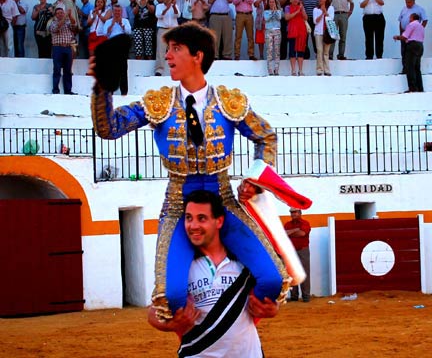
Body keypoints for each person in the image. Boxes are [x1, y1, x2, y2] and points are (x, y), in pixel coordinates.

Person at [90, 22, 302, 321]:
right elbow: (108, 128)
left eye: (175, 49)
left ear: (197, 56)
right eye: (168, 50)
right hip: (179, 204)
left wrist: (256, 181)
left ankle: (233, 325)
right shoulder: (159, 102)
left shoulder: (230, 102)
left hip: (223, 199)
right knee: (171, 296)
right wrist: (102, 88)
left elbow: (265, 136)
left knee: (272, 280)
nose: (168, 56)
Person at [148, 189, 280, 357]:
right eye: (189, 218)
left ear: (219, 221)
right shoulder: (182, 266)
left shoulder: (244, 261)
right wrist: (171, 324)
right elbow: (152, 313)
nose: (193, 226)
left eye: (201, 218)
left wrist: (272, 309)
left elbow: (266, 302)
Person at [103, 4, 131, 96]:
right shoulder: (108, 21)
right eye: (115, 11)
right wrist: (112, 24)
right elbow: (105, 34)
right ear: (113, 12)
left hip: (122, 47)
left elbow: (128, 32)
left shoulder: (126, 21)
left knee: (123, 70)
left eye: (119, 11)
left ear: (121, 12)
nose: (117, 13)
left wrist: (121, 25)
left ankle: (124, 92)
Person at [284, 207, 311, 302]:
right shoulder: (287, 224)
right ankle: (294, 296)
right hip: (291, 251)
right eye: (292, 213)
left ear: (300, 213)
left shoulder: (305, 223)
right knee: (292, 273)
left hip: (303, 250)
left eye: (295, 212)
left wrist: (290, 232)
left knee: (304, 272)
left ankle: (306, 296)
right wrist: (295, 230)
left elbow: (302, 234)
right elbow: (284, 234)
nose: (293, 214)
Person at [393, 13, 424, 94]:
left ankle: (412, 88)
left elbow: (405, 36)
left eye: (410, 17)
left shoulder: (411, 25)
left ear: (412, 18)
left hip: (412, 45)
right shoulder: (421, 26)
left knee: (410, 67)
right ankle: (420, 88)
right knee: (417, 68)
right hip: (420, 45)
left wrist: (397, 37)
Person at [49, 6, 77, 95]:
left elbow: (74, 23)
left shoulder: (68, 22)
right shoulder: (53, 23)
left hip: (68, 48)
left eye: (62, 13)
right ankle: (55, 90)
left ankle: (68, 91)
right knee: (57, 69)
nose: (60, 14)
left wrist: (70, 15)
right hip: (57, 48)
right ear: (55, 15)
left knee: (68, 70)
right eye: (58, 13)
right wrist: (65, 16)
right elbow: (57, 27)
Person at [397, 0, 427, 75]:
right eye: (406, 2)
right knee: (404, 50)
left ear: (413, 1)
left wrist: (419, 29)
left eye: (409, 2)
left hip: (414, 35)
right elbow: (401, 20)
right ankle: (405, 68)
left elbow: (425, 20)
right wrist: (401, 32)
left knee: (412, 52)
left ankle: (414, 70)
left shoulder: (419, 9)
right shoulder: (403, 9)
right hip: (404, 33)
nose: (408, 4)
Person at [154, 0, 179, 76]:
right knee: (160, 50)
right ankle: (159, 70)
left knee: (175, 50)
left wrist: (174, 6)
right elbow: (158, 16)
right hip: (162, 29)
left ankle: (177, 68)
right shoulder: (159, 6)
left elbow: (178, 15)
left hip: (173, 29)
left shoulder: (175, 6)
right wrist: (166, 8)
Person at [285, 0, 307, 76]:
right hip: (292, 31)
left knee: (301, 51)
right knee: (292, 51)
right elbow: (287, 17)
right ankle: (293, 70)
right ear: (290, 0)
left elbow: (305, 18)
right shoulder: (287, 7)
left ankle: (300, 70)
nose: (295, 0)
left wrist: (302, 9)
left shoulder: (301, 7)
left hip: (301, 31)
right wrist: (297, 11)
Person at [313, 0, 333, 76]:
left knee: (326, 52)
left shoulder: (331, 8)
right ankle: (319, 70)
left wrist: (325, 12)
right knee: (319, 50)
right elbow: (315, 21)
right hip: (318, 32)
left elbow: (331, 19)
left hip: (327, 33)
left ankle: (327, 70)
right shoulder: (316, 9)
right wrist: (322, 14)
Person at [264, 0, 282, 76]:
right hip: (269, 31)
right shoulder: (266, 12)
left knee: (277, 51)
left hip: (277, 31)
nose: (272, 3)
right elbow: (266, 19)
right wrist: (272, 12)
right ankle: (270, 70)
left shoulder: (279, 11)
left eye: (273, 2)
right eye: (270, 2)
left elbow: (279, 18)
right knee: (269, 50)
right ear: (268, 3)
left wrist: (275, 10)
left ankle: (276, 70)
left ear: (275, 3)